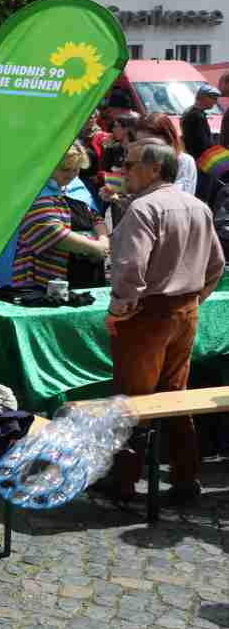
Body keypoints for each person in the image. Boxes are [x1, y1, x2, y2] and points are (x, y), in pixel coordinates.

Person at [104, 139, 225, 506]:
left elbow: (130, 270)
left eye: (132, 163)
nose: (125, 170)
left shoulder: (143, 209)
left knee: (133, 400)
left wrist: (119, 310)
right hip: (184, 312)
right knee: (176, 395)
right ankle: (186, 478)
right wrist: (193, 301)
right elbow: (216, 265)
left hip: (149, 315)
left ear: (155, 168)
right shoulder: (197, 206)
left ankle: (124, 483)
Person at [12, 142, 111, 290]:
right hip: (47, 279)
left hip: (88, 274)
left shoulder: (76, 187)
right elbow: (52, 232)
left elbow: (95, 217)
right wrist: (95, 248)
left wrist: (103, 241)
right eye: (65, 169)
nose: (71, 175)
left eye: (76, 169)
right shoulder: (36, 193)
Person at [138, 112, 199, 198]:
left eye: (150, 143)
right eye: (141, 143)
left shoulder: (184, 161)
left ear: (168, 137)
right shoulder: (137, 159)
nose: (145, 148)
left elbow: (182, 195)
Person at [181, 84, 218, 164]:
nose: (215, 102)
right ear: (203, 97)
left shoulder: (192, 112)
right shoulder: (196, 115)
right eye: (213, 98)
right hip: (200, 160)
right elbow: (202, 143)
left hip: (196, 158)